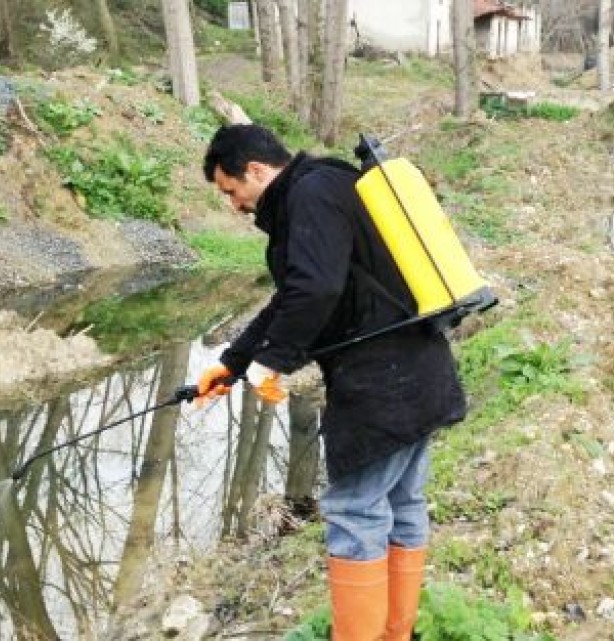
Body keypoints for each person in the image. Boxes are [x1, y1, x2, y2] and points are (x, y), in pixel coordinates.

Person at [196, 124, 466, 640]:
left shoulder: (310, 194)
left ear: (256, 171)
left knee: (354, 510)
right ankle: (395, 632)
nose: (234, 205)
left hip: (381, 383)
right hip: (417, 366)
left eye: (231, 191)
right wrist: (234, 362)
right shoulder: (324, 186)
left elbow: (315, 289)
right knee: (400, 502)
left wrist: (272, 363)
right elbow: (293, 295)